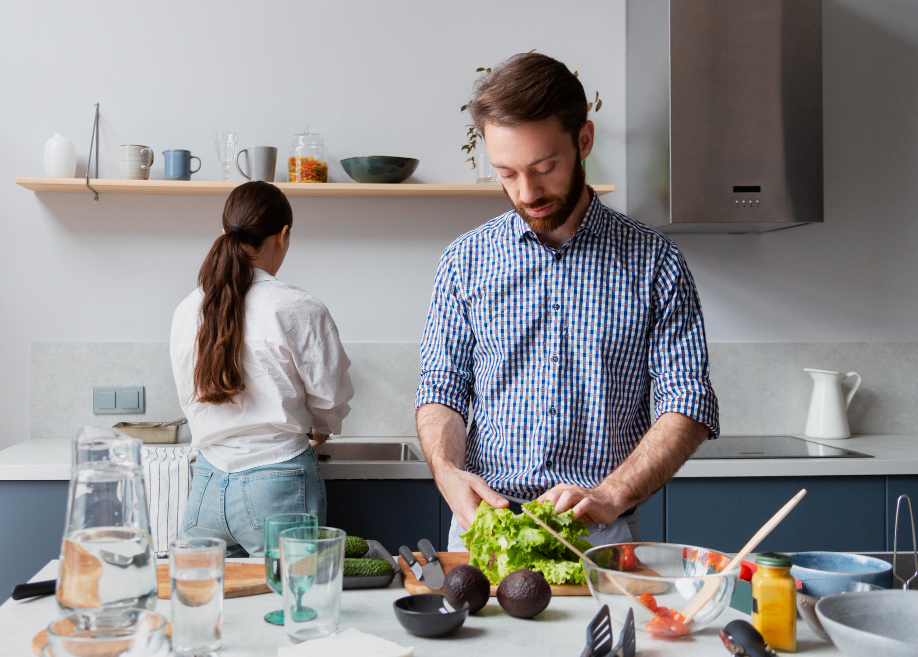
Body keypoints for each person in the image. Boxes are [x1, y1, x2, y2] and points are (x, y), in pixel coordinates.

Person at [415, 52, 720, 551]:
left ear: (583, 141)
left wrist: (611, 493)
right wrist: (448, 473)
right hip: (484, 529)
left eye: (543, 167)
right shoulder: (463, 262)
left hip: (600, 531)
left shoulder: (656, 263)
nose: (526, 191)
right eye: (506, 173)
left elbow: (685, 401)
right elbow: (442, 387)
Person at [171, 181, 353, 556]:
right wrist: (323, 428)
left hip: (206, 484)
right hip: (278, 483)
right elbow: (330, 398)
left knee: (212, 605)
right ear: (282, 236)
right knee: (293, 602)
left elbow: (188, 394)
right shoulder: (297, 307)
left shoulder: (189, 308)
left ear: (225, 232)